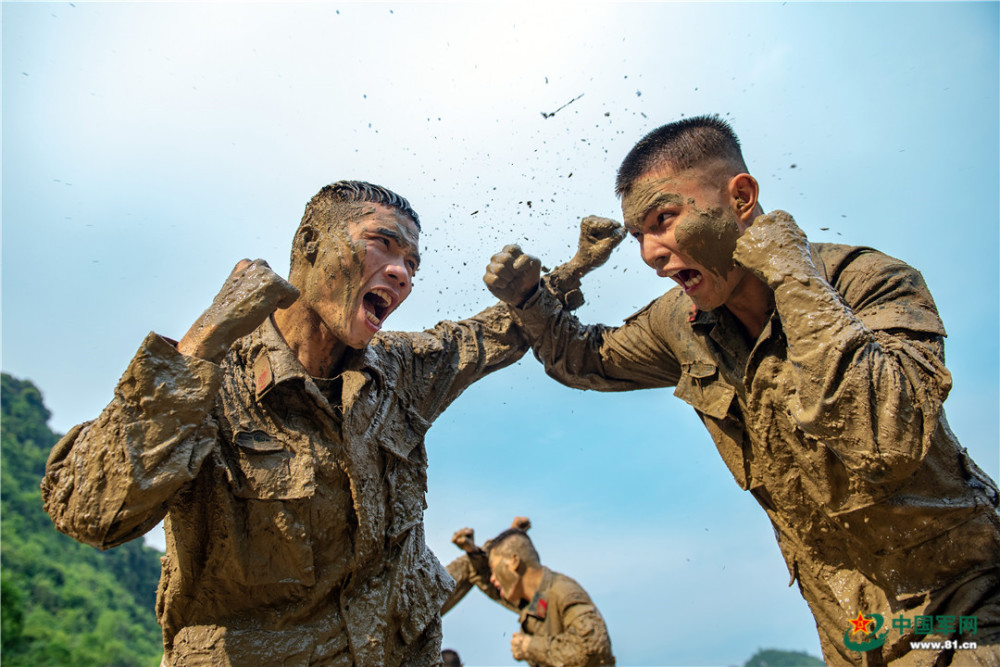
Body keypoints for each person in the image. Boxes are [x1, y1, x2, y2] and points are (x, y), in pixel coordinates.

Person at [483, 116, 1000, 666]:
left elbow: (884, 439)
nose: (651, 253)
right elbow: (587, 358)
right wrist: (529, 298)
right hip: (852, 630)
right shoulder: (681, 323)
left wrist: (788, 272)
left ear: (742, 197)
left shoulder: (869, 282)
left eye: (664, 219)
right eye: (639, 236)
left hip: (963, 606)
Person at [40, 181, 614, 666]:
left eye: (412, 263)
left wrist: (576, 265)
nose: (402, 273)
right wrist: (204, 339)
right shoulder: (210, 384)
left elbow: (495, 331)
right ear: (309, 246)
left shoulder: (401, 372)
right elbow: (88, 510)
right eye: (383, 246)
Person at [447, 524, 615, 667]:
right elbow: (487, 582)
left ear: (514, 562)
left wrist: (530, 647)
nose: (493, 578)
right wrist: (473, 552)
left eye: (495, 569)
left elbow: (594, 647)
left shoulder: (563, 592)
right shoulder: (533, 602)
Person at [441, 516, 533, 615]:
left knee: (471, 564)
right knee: (472, 563)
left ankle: (498, 548)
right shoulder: (539, 606)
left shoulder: (545, 604)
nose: (493, 579)